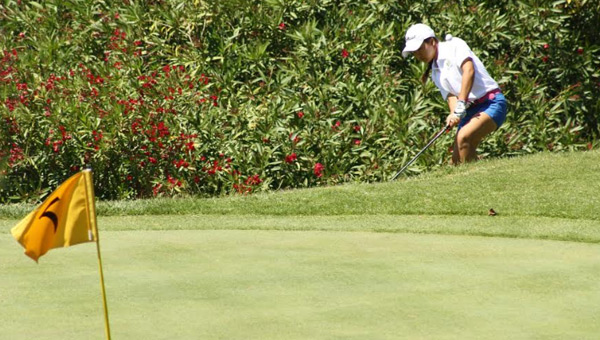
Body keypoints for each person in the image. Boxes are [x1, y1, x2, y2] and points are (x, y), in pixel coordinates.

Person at [401, 23, 507, 164]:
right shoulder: (435, 72)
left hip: (490, 102)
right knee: (457, 161)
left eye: (420, 49)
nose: (418, 54)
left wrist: (461, 103)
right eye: (414, 52)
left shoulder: (455, 45)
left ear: (432, 41)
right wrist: (453, 114)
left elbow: (469, 71)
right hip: (470, 110)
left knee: (464, 138)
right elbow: (451, 96)